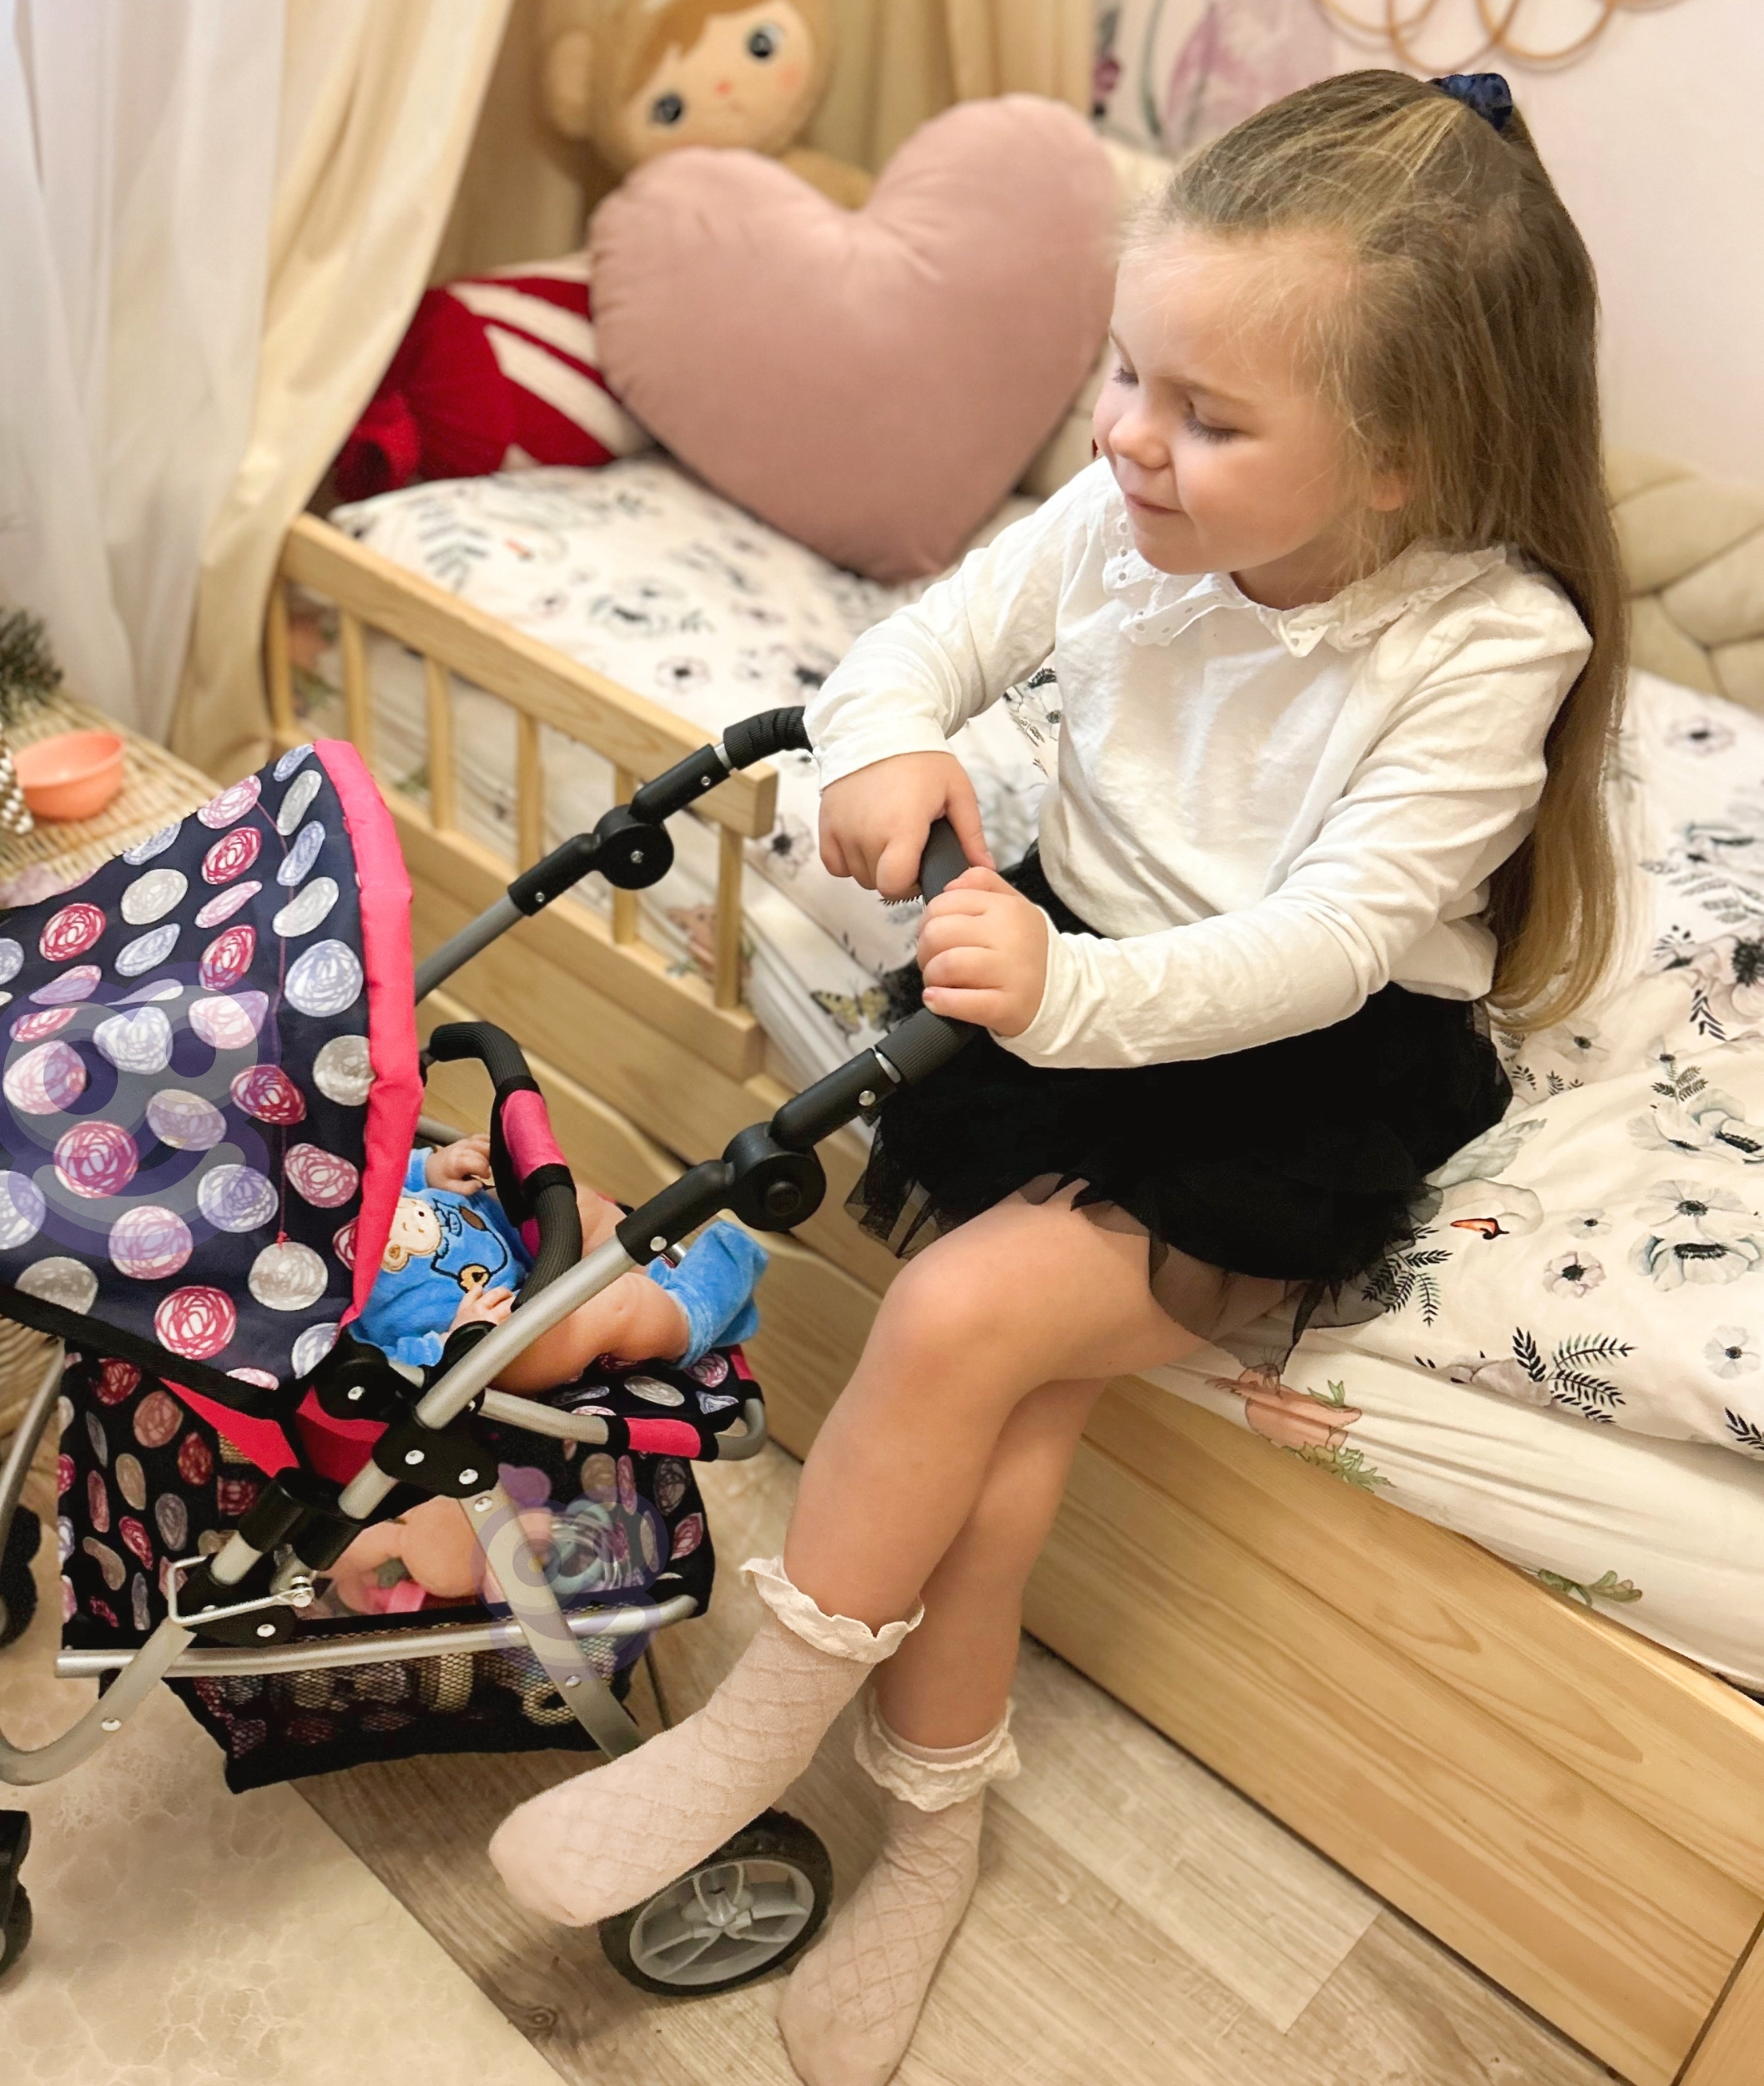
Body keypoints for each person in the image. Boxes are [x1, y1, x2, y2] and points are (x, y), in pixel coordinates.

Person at [482, 68, 1625, 2085]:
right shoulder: (1119, 512)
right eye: (1125, 373)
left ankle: (756, 1728)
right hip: (1077, 978)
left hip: (1294, 1058)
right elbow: (901, 656)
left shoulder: (1485, 641)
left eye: (1205, 415)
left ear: (1401, 458)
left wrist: (1058, 995)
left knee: (951, 1315)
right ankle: (935, 1836)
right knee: (998, 1470)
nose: (1122, 437)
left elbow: (1335, 940)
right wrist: (885, 752)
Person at [349, 1131, 765, 1393]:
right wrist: (449, 1344)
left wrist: (430, 1168)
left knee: (574, 1205)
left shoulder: (321, 1178)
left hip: (498, 1233)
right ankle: (688, 1320)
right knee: (618, 1302)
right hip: (487, 1346)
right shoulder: (316, 1297)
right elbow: (370, 1368)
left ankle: (657, 1277)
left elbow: (378, 1173)